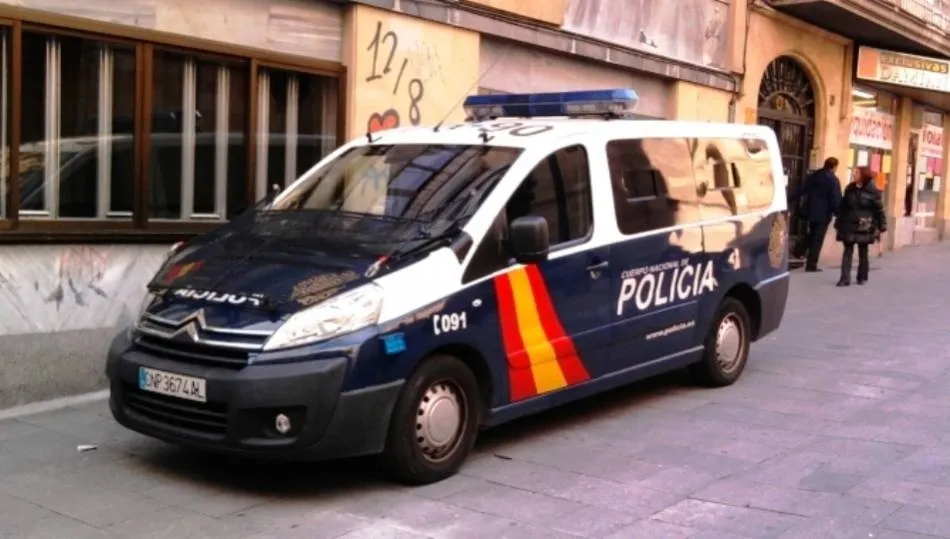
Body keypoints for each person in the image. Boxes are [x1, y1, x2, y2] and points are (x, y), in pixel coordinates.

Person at [835, 166, 886, 287]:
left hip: (864, 224)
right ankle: (844, 278)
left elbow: (879, 210)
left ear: (863, 175)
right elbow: (843, 206)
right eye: (853, 172)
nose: (854, 174)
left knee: (863, 251)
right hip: (849, 222)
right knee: (847, 251)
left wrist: (881, 225)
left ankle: (862, 276)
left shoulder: (873, 191)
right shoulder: (850, 188)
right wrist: (839, 221)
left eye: (856, 173)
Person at [792, 157, 844, 272]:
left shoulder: (814, 176)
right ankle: (811, 264)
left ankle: (799, 248)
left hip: (811, 211)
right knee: (817, 239)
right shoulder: (833, 180)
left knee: (813, 234)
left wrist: (790, 199)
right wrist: (839, 213)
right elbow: (835, 198)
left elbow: (802, 189)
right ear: (834, 167)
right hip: (824, 214)